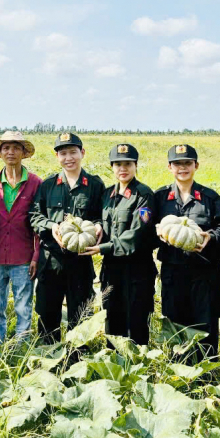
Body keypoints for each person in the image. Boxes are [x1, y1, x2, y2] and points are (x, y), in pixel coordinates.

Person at [154, 144, 220, 359]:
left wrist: (211, 237)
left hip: (204, 273)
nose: (183, 168)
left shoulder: (210, 198)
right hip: (173, 273)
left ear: (196, 165)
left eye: (187, 163)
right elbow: (147, 229)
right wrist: (156, 231)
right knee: (174, 325)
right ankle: (178, 375)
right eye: (177, 163)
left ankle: (206, 378)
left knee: (205, 326)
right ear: (169, 167)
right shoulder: (159, 198)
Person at [29, 132, 105, 344]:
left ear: (82, 153)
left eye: (73, 152)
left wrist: (99, 225)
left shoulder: (95, 185)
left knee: (80, 316)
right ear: (57, 157)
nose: (68, 157)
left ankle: (76, 361)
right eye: (63, 153)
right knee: (47, 313)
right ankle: (49, 359)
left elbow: (103, 215)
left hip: (80, 261)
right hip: (51, 260)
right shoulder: (48, 185)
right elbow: (34, 216)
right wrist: (51, 226)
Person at [81, 143, 156, 345]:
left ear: (136, 166)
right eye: (118, 164)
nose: (123, 169)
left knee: (137, 322)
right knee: (112, 320)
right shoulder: (107, 195)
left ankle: (138, 368)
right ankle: (114, 366)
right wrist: (96, 227)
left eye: (128, 164)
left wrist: (102, 248)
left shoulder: (144, 195)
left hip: (137, 270)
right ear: (112, 167)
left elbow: (137, 234)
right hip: (111, 269)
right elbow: (98, 219)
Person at [0, 131, 42, 345]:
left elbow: (38, 223)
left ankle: (21, 346)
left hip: (23, 258)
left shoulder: (35, 183)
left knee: (23, 307)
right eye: (6, 147)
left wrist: (36, 256)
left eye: (16, 147)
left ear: (24, 153)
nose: (11, 152)